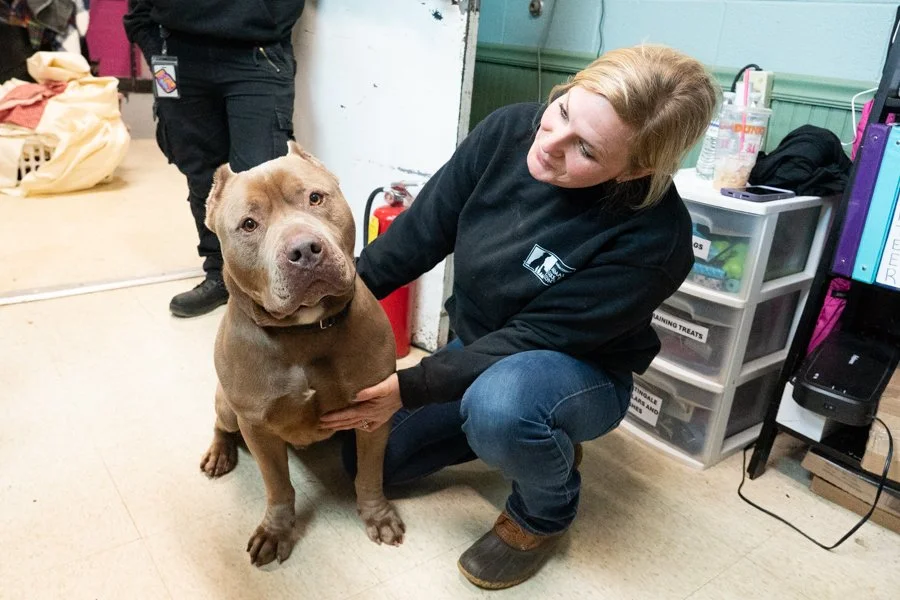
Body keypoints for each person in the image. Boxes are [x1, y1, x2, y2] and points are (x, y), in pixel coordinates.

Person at [320, 44, 718, 589]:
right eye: (562, 112)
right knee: (368, 462)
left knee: (502, 408)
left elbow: (534, 335)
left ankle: (542, 514)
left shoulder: (655, 238)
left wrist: (410, 387)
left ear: (637, 168)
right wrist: (327, 307)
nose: (548, 145)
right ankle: (528, 437)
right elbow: (417, 236)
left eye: (585, 148)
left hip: (579, 369)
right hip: (485, 348)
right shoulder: (509, 131)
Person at [123, 0, 306, 317]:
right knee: (202, 175)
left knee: (262, 180)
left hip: (256, 53)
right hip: (176, 55)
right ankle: (219, 274)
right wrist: (153, 43)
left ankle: (276, 284)